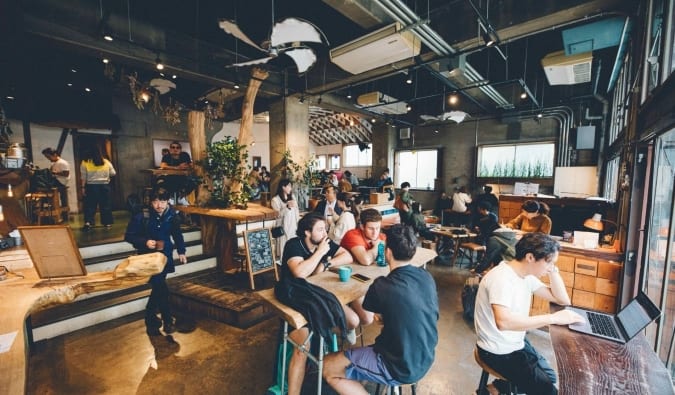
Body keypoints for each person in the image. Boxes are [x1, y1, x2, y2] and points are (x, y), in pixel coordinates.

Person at [323, 224, 439, 394]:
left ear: (388, 252)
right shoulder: (426, 277)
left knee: (327, 366)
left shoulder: (382, 286)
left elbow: (376, 319)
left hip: (399, 366)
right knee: (355, 359)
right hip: (425, 356)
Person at [474, 232, 584, 394]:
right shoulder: (502, 279)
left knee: (550, 377)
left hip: (514, 343)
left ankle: (497, 388)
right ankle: (498, 388)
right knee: (549, 391)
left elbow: (562, 300)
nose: (549, 268)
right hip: (497, 351)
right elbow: (504, 323)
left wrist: (553, 270)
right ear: (530, 257)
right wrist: (552, 318)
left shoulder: (525, 276)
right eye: (548, 263)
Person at [279, 213, 367, 395]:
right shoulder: (294, 245)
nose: (325, 232)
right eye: (320, 229)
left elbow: (347, 256)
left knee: (353, 320)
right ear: (307, 232)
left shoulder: (324, 242)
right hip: (295, 301)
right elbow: (300, 274)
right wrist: (320, 253)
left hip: (319, 297)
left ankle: (328, 350)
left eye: (325, 228)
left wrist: (326, 263)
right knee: (302, 349)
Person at [124, 188, 187, 335]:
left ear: (168, 201)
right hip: (148, 258)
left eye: (163, 201)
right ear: (150, 202)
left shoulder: (172, 215)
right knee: (161, 288)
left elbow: (177, 234)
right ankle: (167, 320)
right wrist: (144, 242)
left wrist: (181, 251)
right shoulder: (142, 216)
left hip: (165, 257)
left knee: (158, 287)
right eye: (156, 201)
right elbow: (129, 236)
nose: (159, 205)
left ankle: (150, 314)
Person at [80, 146, 116, 230]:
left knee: (90, 205)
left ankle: (88, 222)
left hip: (91, 186)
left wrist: (82, 187)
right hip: (104, 186)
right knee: (105, 204)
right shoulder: (105, 161)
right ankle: (107, 223)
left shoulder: (85, 162)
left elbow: (83, 177)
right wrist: (106, 176)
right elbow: (113, 173)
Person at [271, 179, 300, 259]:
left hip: (293, 225)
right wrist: (286, 207)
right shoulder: (275, 200)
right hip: (283, 227)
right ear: (283, 187)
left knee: (293, 244)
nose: (291, 188)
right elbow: (277, 215)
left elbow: (297, 211)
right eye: (289, 186)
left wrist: (299, 223)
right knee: (283, 245)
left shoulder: (293, 197)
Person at [158, 141, 193, 205]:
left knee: (193, 182)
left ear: (180, 149)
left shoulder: (185, 155)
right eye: (173, 147)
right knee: (161, 182)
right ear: (170, 149)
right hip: (170, 177)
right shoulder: (167, 156)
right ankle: (171, 198)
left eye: (178, 147)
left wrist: (187, 166)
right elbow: (162, 165)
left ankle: (181, 197)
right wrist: (177, 167)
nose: (175, 149)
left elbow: (191, 165)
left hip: (183, 177)